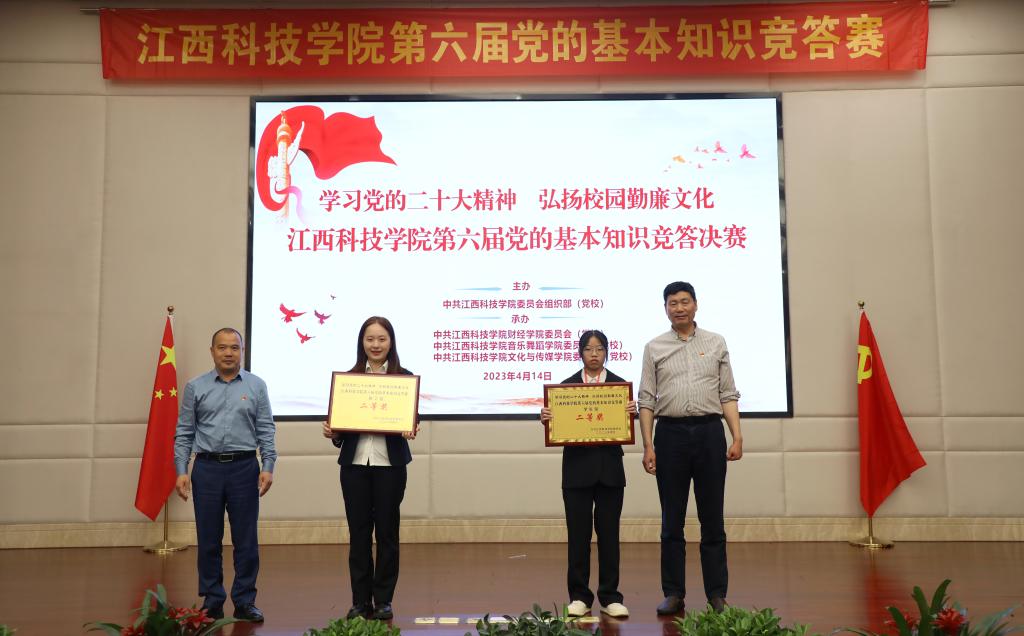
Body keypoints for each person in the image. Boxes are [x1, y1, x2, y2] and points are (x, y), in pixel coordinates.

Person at [637, 282, 743, 616]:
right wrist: (648, 445)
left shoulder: (716, 342)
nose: (679, 308)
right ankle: (673, 593)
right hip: (670, 435)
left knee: (713, 518)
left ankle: (717, 594)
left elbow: (728, 394)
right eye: (673, 303)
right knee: (672, 520)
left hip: (710, 432)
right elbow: (646, 400)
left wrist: (737, 436)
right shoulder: (654, 347)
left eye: (685, 302)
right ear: (665, 308)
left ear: (696, 305)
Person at [174, 327, 277, 623]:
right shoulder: (196, 387)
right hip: (206, 469)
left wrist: (268, 466)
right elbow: (184, 432)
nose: (229, 353)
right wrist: (181, 471)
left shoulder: (257, 385)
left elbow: (266, 429)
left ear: (242, 351)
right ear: (212, 351)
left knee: (246, 540)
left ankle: (245, 601)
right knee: (208, 539)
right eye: (222, 347)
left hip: (245, 468)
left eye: (234, 347)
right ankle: (212, 600)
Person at [321, 316, 418, 621]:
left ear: (391, 342)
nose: (376, 345)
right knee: (359, 534)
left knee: (387, 533)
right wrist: (333, 432)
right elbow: (341, 433)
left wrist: (410, 427)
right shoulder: (349, 380)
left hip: (390, 466)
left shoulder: (404, 378)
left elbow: (412, 420)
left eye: (382, 339)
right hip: (355, 466)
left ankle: (384, 600)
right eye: (370, 339)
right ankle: (360, 601)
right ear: (362, 342)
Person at [540, 330, 636, 619]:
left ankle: (610, 596)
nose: (594, 354)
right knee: (578, 536)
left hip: (610, 472)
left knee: (609, 536)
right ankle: (580, 596)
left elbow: (626, 424)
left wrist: (631, 412)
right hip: (576, 472)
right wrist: (547, 419)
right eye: (588, 349)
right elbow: (558, 426)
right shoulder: (565, 388)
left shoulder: (620, 387)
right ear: (580, 353)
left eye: (599, 348)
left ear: (607, 352)